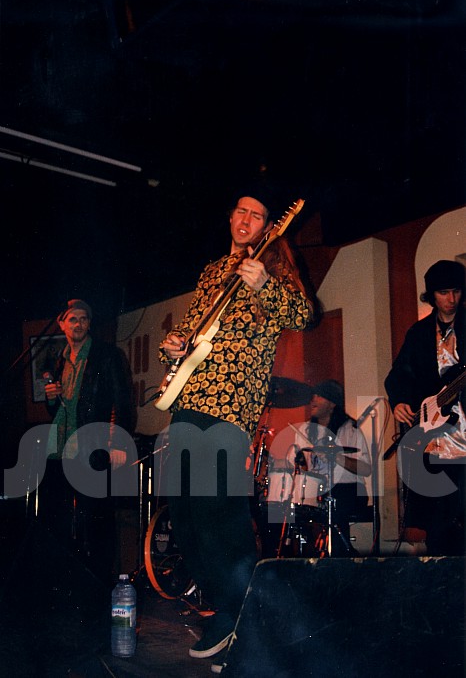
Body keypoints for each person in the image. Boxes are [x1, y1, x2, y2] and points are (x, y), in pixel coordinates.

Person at [158, 186, 314, 669]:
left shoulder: (273, 271)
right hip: (189, 401)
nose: (247, 219)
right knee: (184, 513)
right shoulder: (212, 272)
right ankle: (228, 606)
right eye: (242, 211)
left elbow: (304, 315)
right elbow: (191, 329)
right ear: (231, 218)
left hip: (231, 406)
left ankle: (241, 613)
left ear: (269, 227)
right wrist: (173, 345)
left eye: (258, 215)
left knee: (219, 513)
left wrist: (264, 284)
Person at [41, 298, 135, 582]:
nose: (79, 324)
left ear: (89, 324)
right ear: (62, 324)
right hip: (62, 448)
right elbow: (60, 409)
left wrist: (118, 442)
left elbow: (122, 400)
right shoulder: (60, 360)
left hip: (93, 446)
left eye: (83, 319)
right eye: (73, 319)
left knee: (98, 519)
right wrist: (51, 399)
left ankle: (100, 583)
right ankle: (74, 581)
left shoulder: (106, 355)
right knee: (67, 520)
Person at [384, 259, 466, 556]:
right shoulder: (419, 333)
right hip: (434, 440)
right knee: (438, 524)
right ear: (431, 295)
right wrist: (399, 402)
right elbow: (398, 375)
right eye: (443, 293)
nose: (451, 299)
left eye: (456, 291)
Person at [285, 379, 371, 556]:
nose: (313, 399)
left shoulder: (350, 429)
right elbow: (296, 465)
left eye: (320, 396)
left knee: (335, 501)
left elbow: (365, 469)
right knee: (292, 505)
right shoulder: (305, 431)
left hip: (349, 489)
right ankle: (306, 554)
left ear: (332, 403)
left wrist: (336, 457)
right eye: (313, 395)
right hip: (317, 491)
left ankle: (338, 555)